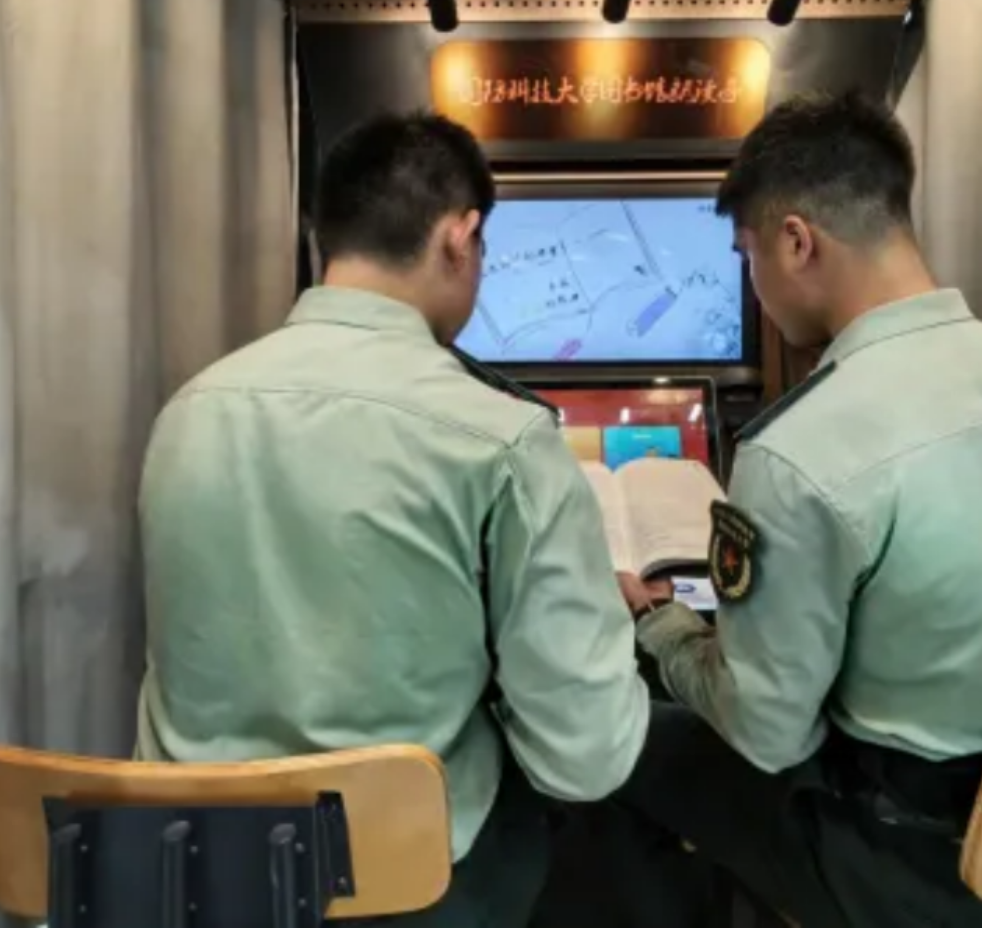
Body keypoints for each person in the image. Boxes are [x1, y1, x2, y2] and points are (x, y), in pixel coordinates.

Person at [613, 91, 982, 926]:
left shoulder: (797, 450)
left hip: (909, 869)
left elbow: (767, 733)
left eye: (747, 255)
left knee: (616, 733)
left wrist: (661, 626)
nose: (754, 286)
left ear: (797, 241)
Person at [135, 112, 650, 925]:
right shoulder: (500, 438)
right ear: (460, 237)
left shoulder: (187, 412)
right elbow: (585, 758)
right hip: (403, 881)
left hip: (196, 873)